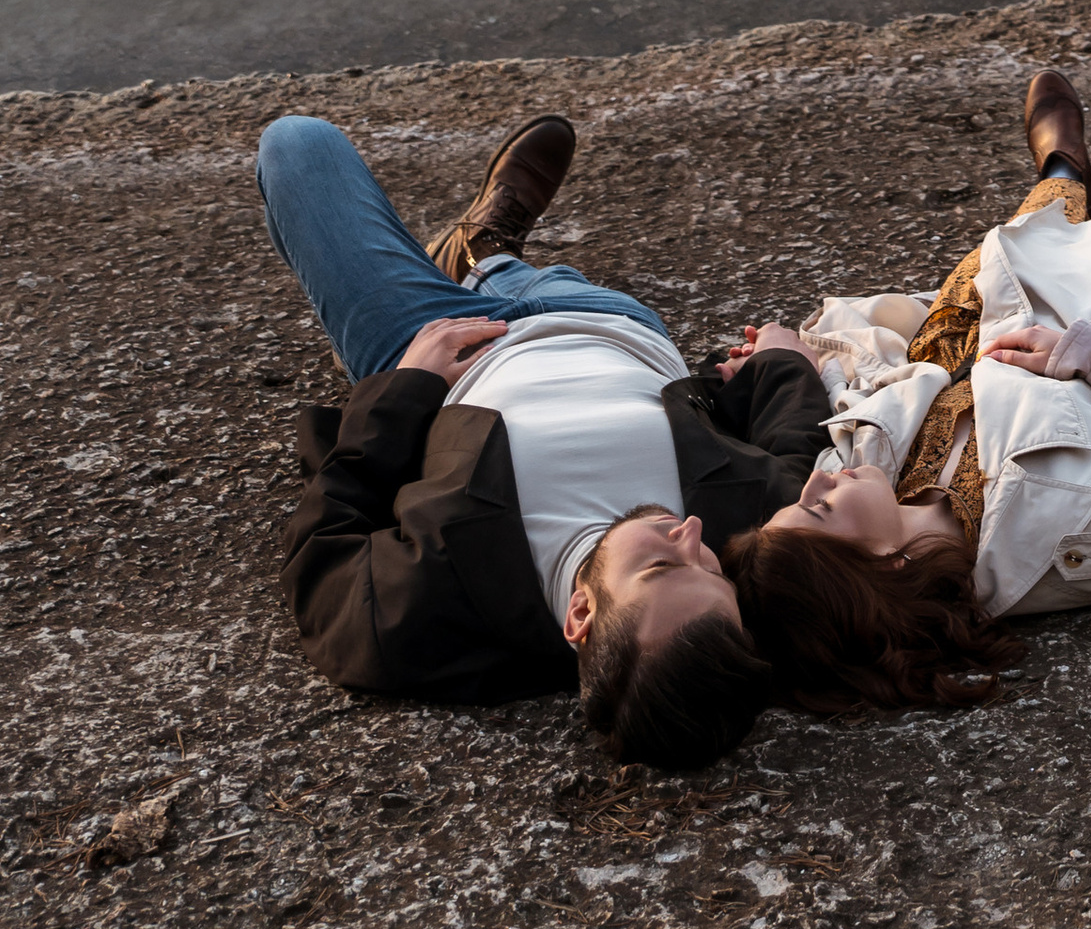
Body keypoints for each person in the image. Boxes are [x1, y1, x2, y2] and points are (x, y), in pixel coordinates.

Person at [725, 61, 1091, 719]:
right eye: (816, 510)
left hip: (982, 324)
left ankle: (1062, 168)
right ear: (885, 567)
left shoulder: (855, 476)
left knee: (1010, 246)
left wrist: (795, 359)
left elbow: (853, 394)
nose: (810, 485)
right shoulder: (1073, 541)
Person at [258, 107, 830, 768]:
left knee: (297, 144)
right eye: (714, 573)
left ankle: (477, 257)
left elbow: (319, 551)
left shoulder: (426, 611)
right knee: (527, 279)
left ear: (580, 614)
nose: (696, 534)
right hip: (609, 319)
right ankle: (486, 253)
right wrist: (784, 362)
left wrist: (408, 385)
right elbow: (799, 456)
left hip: (434, 339)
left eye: (663, 563)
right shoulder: (732, 550)